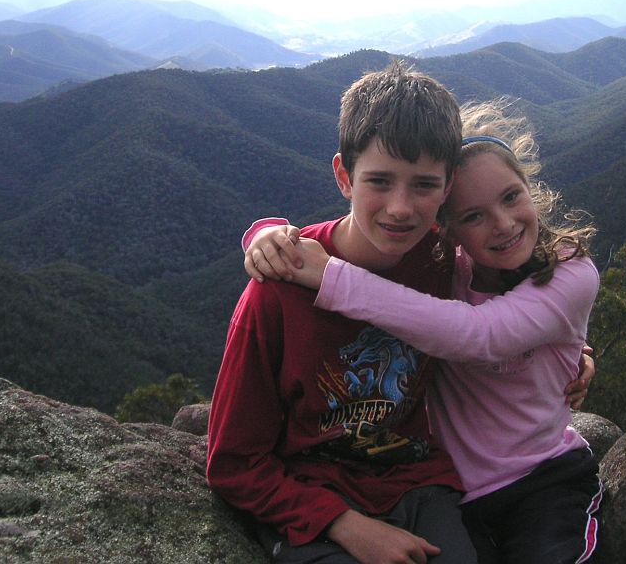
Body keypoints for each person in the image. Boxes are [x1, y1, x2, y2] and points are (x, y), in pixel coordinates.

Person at [244, 100, 602, 564]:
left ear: (531, 187)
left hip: (545, 480)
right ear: (445, 229)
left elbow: (478, 334)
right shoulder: (444, 267)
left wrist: (330, 276)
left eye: (512, 196)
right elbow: (379, 251)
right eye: (473, 215)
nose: (502, 223)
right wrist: (269, 235)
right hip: (452, 491)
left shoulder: (569, 271)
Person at [206, 61, 481, 564]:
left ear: (448, 186)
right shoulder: (280, 288)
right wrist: (347, 526)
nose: (400, 207)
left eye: (423, 185)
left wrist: (573, 356)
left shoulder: (447, 263)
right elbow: (232, 461)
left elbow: (505, 322)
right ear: (343, 176)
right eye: (379, 181)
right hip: (306, 496)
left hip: (415, 483)